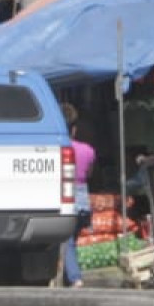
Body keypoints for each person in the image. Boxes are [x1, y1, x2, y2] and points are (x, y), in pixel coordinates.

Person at [58, 103, 95, 289]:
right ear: (74, 129)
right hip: (83, 203)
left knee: (67, 240)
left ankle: (75, 278)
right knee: (71, 241)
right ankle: (69, 276)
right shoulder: (88, 151)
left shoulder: (55, 150)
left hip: (66, 201)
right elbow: (88, 174)